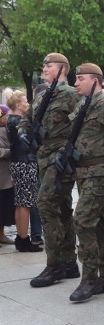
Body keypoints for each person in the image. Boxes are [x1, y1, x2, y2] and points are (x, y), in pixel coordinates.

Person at [56, 63, 104, 301]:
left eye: (81, 79)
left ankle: (89, 278)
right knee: (99, 225)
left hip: (99, 173)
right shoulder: (84, 105)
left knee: (82, 221)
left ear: (95, 81)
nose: (76, 83)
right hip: (83, 173)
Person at [19, 53, 82, 287]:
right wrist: (24, 133)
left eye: (49, 65)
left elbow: (81, 127)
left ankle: (53, 264)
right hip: (42, 157)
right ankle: (69, 262)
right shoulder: (43, 94)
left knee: (45, 204)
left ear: (63, 69)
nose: (44, 67)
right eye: (44, 64)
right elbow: (27, 118)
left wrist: (68, 151)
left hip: (59, 158)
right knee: (63, 208)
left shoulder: (72, 95)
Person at [6, 92, 42, 252]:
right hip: (24, 163)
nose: (28, 104)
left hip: (18, 163)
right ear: (18, 105)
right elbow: (31, 143)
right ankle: (22, 239)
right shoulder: (19, 122)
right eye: (25, 101)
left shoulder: (10, 121)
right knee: (25, 203)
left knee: (22, 202)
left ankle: (22, 238)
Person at [0, 104, 17, 246]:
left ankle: (1, 234)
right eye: (6, 115)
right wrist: (11, 151)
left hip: (6, 177)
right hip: (1, 175)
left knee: (5, 207)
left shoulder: (6, 130)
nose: (8, 117)